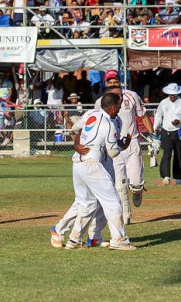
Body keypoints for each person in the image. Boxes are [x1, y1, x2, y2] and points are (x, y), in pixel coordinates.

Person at [63, 92, 136, 251]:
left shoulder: (91, 113)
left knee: (87, 204)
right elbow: (113, 152)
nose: (119, 109)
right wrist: (123, 146)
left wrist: (76, 145)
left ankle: (74, 240)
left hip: (78, 163)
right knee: (112, 202)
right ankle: (119, 240)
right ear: (113, 107)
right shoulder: (109, 123)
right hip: (93, 163)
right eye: (118, 106)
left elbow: (75, 129)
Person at [97, 70, 154, 218]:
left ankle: (137, 192)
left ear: (119, 81)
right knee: (119, 184)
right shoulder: (101, 101)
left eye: (115, 81)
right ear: (106, 84)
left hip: (132, 143)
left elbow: (143, 116)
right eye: (110, 82)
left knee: (136, 184)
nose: (113, 84)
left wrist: (153, 136)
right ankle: (125, 215)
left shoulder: (132, 96)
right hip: (114, 145)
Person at [153, 83, 181, 186]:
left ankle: (178, 178)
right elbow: (158, 116)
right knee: (166, 154)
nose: (172, 96)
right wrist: (154, 128)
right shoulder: (163, 103)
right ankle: (166, 176)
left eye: (174, 94)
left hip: (179, 131)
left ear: (177, 94)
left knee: (178, 155)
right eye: (170, 94)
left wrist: (180, 121)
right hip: (166, 131)